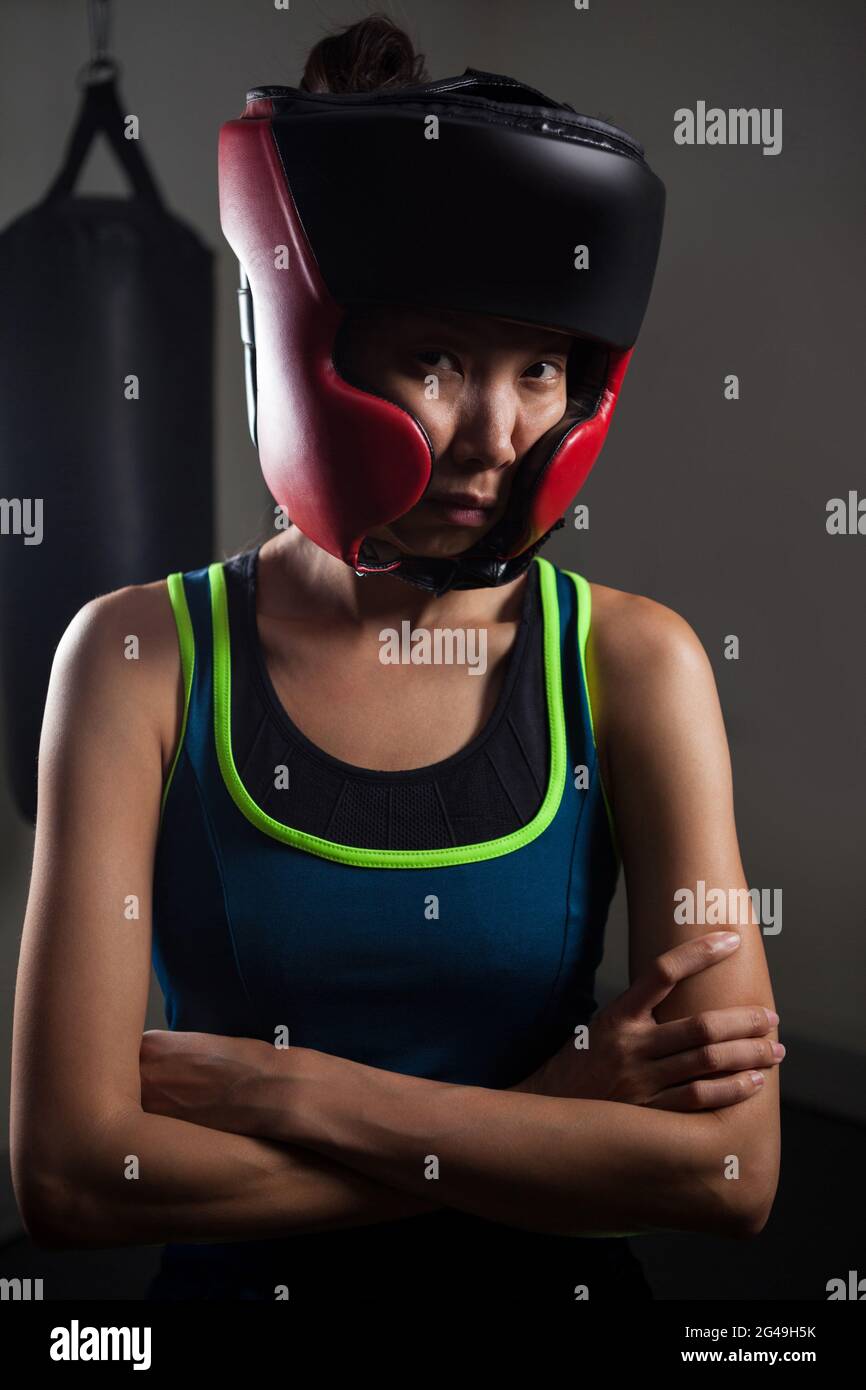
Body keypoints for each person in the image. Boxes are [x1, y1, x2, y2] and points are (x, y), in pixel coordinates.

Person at [11, 15, 782, 1307]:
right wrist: (548, 1121)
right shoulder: (137, 656)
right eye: (437, 359)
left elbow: (726, 1173)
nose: (495, 433)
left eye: (539, 366)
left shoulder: (635, 664)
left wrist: (294, 1092)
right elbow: (77, 1178)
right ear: (309, 340)